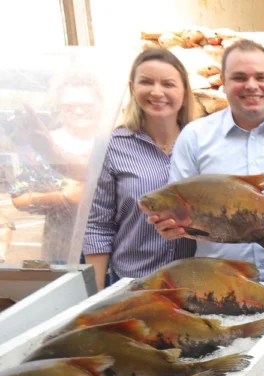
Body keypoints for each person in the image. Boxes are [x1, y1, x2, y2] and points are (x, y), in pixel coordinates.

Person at [147, 39, 264, 282]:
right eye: (240, 78)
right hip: (216, 278)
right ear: (223, 82)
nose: (251, 85)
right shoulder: (194, 137)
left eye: (261, 77)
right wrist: (171, 226)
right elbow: (179, 202)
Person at [84, 49, 197, 290]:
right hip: (134, 284)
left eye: (168, 84)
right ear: (133, 88)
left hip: (193, 283)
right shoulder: (111, 146)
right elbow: (98, 226)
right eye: (146, 82)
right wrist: (96, 293)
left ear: (184, 93)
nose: (157, 92)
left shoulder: (202, 144)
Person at [12, 74, 104, 263]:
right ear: (60, 108)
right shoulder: (42, 142)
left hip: (111, 248)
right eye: (69, 107)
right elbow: (17, 196)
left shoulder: (115, 142)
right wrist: (61, 197)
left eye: (86, 106)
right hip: (61, 248)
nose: (78, 111)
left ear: (100, 106)